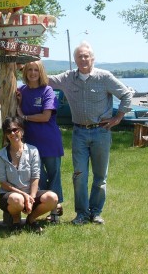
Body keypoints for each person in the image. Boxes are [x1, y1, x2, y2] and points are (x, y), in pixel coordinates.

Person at [47, 42, 133, 225]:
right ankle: (81, 214)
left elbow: (126, 94)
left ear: (92, 58)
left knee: (100, 177)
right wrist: (23, 68)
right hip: (79, 133)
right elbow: (47, 80)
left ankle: (96, 212)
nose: (83, 59)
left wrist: (118, 117)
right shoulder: (68, 78)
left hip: (101, 132)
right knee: (79, 174)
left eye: (86, 56)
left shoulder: (104, 77)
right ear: (75, 60)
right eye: (80, 56)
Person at [16, 60, 65, 223]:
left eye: (36, 70)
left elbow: (45, 116)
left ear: (41, 72)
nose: (32, 73)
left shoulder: (47, 90)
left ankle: (55, 212)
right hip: (31, 142)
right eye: (29, 69)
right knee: (38, 177)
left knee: (54, 175)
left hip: (50, 141)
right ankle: (42, 207)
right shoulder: (21, 91)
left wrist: (24, 116)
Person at [0, 116, 58, 233]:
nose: (12, 133)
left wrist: (31, 198)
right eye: (9, 131)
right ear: (6, 135)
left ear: (22, 131)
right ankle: (16, 221)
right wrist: (24, 195)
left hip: (31, 194)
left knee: (52, 198)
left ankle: (31, 219)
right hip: (11, 196)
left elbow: (35, 176)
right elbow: (3, 183)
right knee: (17, 199)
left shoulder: (33, 151)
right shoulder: (1, 155)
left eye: (15, 130)